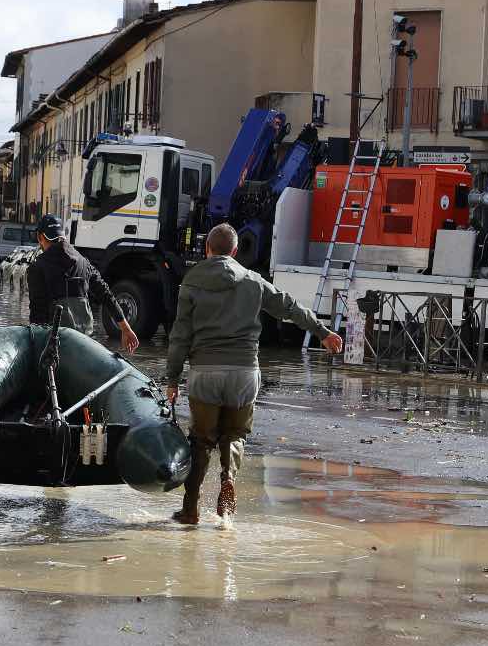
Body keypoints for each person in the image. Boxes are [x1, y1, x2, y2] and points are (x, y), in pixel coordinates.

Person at [166, 223, 343, 525]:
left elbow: (180, 334)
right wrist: (322, 331)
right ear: (235, 252)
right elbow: (289, 307)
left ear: (207, 249)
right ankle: (229, 480)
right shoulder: (253, 281)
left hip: (205, 372)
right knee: (234, 435)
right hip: (245, 372)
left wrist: (172, 377)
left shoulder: (192, 281)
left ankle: (191, 509)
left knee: (201, 440)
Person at [26, 214, 140, 354]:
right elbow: (106, 294)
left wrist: (34, 350)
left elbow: (37, 312)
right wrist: (126, 328)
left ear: (40, 237)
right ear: (63, 235)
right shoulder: (84, 263)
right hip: (85, 343)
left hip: (55, 344)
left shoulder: (37, 267)